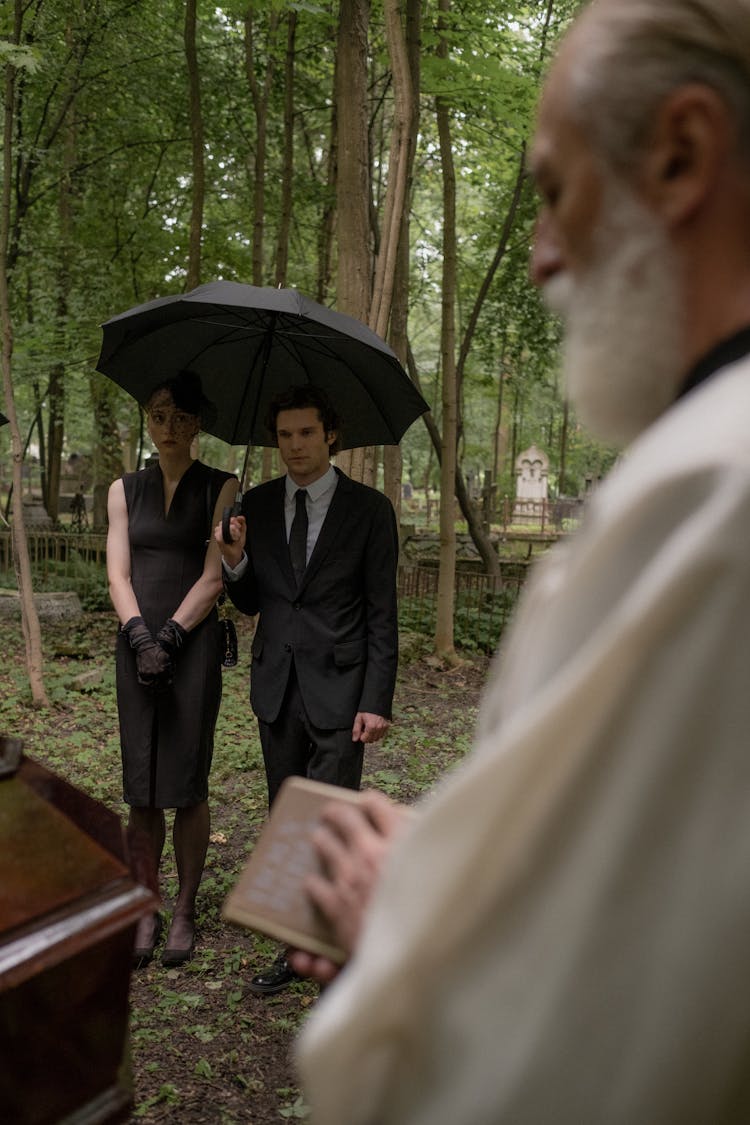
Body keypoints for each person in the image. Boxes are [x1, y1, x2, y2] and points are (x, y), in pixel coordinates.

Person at [290, 2, 750, 1121]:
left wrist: (391, 919)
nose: (544, 256)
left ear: (683, 154)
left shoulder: (704, 492)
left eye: (554, 191)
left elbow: (573, 1052)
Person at [216, 383, 399, 994]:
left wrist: (377, 698)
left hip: (343, 689)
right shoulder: (258, 505)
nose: (295, 445)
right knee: (287, 819)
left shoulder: (370, 510)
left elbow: (382, 613)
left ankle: (337, 952)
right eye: (285, 434)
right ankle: (295, 947)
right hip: (277, 686)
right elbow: (250, 601)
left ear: (330, 435)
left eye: (307, 433)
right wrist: (236, 559)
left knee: (335, 822)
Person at [107, 371, 238, 968]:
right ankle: (145, 903)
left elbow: (215, 575)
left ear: (198, 425)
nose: (168, 428)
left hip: (192, 645)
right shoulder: (122, 490)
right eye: (158, 415)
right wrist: (138, 635)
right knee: (141, 783)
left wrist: (171, 636)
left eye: (181, 417)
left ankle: (184, 907)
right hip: (135, 643)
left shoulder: (222, 485)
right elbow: (118, 573)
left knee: (186, 779)